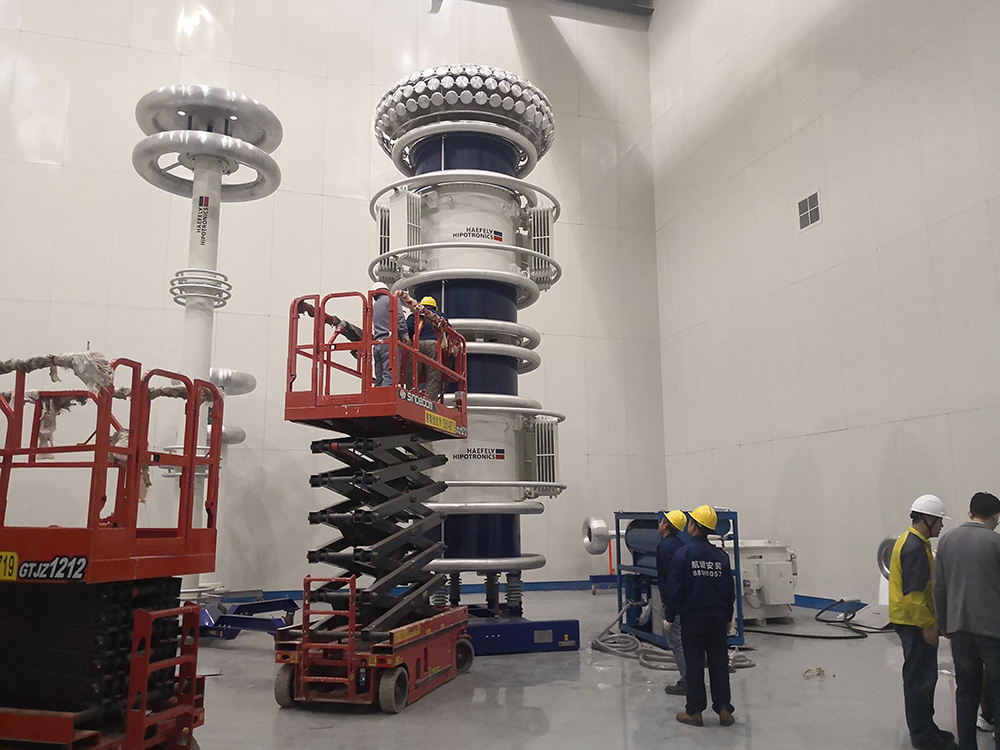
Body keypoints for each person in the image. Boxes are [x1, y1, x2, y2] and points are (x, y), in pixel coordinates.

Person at [889, 494, 957, 750]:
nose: (941, 525)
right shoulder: (915, 548)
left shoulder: (911, 540)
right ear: (927, 519)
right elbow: (914, 596)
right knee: (921, 680)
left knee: (921, 678)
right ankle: (923, 737)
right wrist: (928, 625)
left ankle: (926, 728)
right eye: (939, 520)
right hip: (914, 623)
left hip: (911, 620)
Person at [933, 491, 1000, 750]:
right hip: (993, 632)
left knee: (966, 693)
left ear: (970, 513)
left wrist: (944, 624)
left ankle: (967, 746)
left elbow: (939, 587)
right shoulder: (996, 543)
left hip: (959, 629)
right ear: (995, 516)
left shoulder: (947, 541)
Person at [663, 504, 736, 728]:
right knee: (719, 663)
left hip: (693, 620)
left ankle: (694, 712)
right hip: (717, 619)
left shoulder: (683, 554)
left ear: (693, 526)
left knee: (694, 665)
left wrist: (669, 617)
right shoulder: (721, 557)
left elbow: (675, 589)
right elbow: (729, 590)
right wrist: (729, 617)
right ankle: (724, 710)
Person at [657, 509, 689, 696]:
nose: (659, 524)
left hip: (673, 601)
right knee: (686, 641)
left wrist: (669, 608)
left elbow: (669, 578)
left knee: (677, 642)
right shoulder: (682, 545)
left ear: (666, 526)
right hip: (687, 600)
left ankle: (687, 681)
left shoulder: (664, 547)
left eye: (662, 521)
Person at [406, 295, 446, 400]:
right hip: (433, 344)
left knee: (413, 371)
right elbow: (448, 330)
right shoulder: (440, 315)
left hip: (417, 345)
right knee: (433, 372)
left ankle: (410, 395)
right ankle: (430, 398)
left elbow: (408, 328)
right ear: (435, 307)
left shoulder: (414, 315)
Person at [371, 282, 409, 387]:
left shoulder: (373, 306)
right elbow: (400, 318)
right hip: (390, 344)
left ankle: (377, 396)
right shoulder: (392, 299)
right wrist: (405, 336)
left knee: (379, 378)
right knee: (390, 376)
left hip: (377, 344)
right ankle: (386, 395)